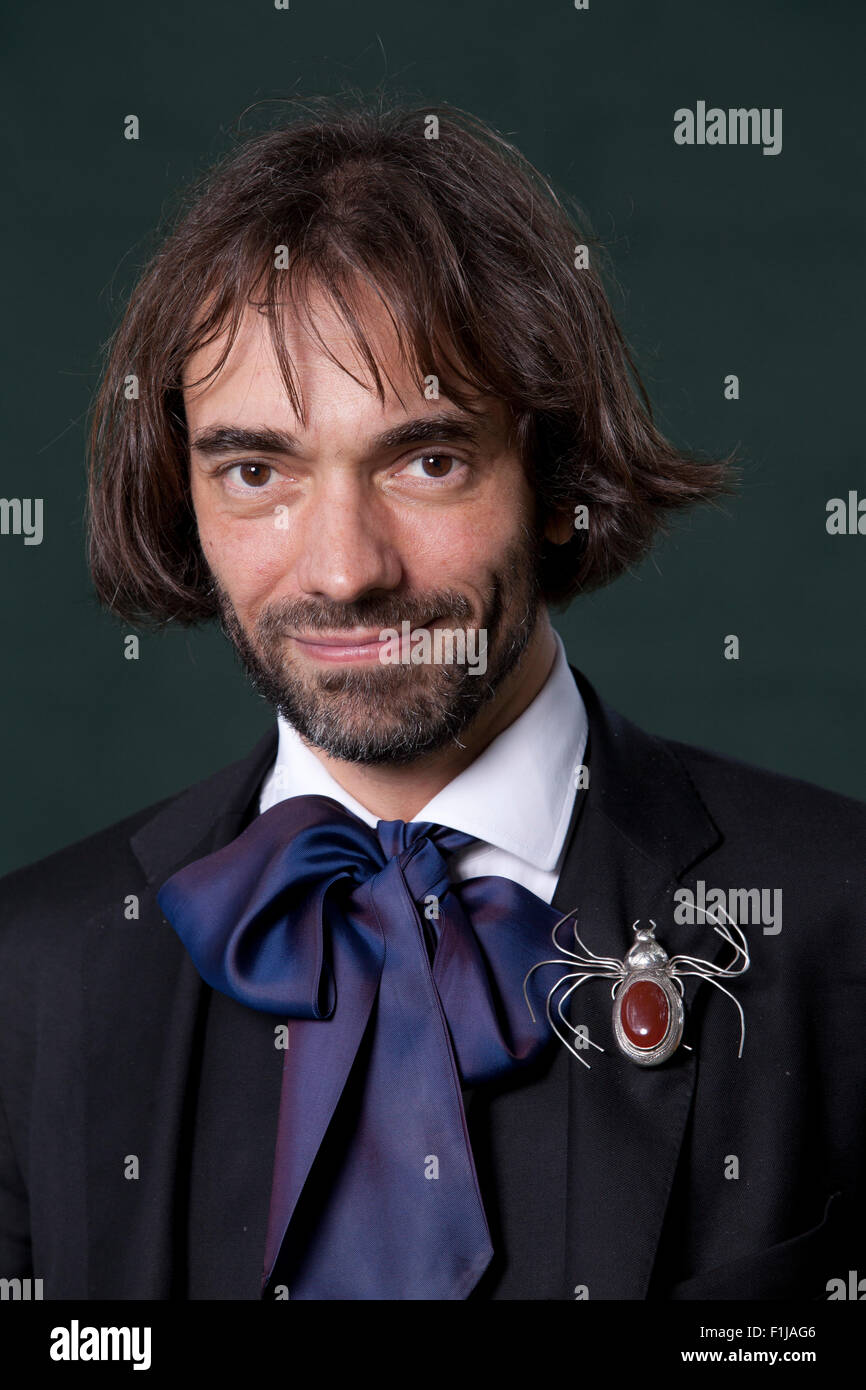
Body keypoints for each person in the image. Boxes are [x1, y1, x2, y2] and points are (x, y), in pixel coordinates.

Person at [0, 95, 863, 1302]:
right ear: (184, 499)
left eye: (426, 459)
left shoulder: (843, 927)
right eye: (257, 470)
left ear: (555, 476)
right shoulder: (31, 974)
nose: (346, 569)